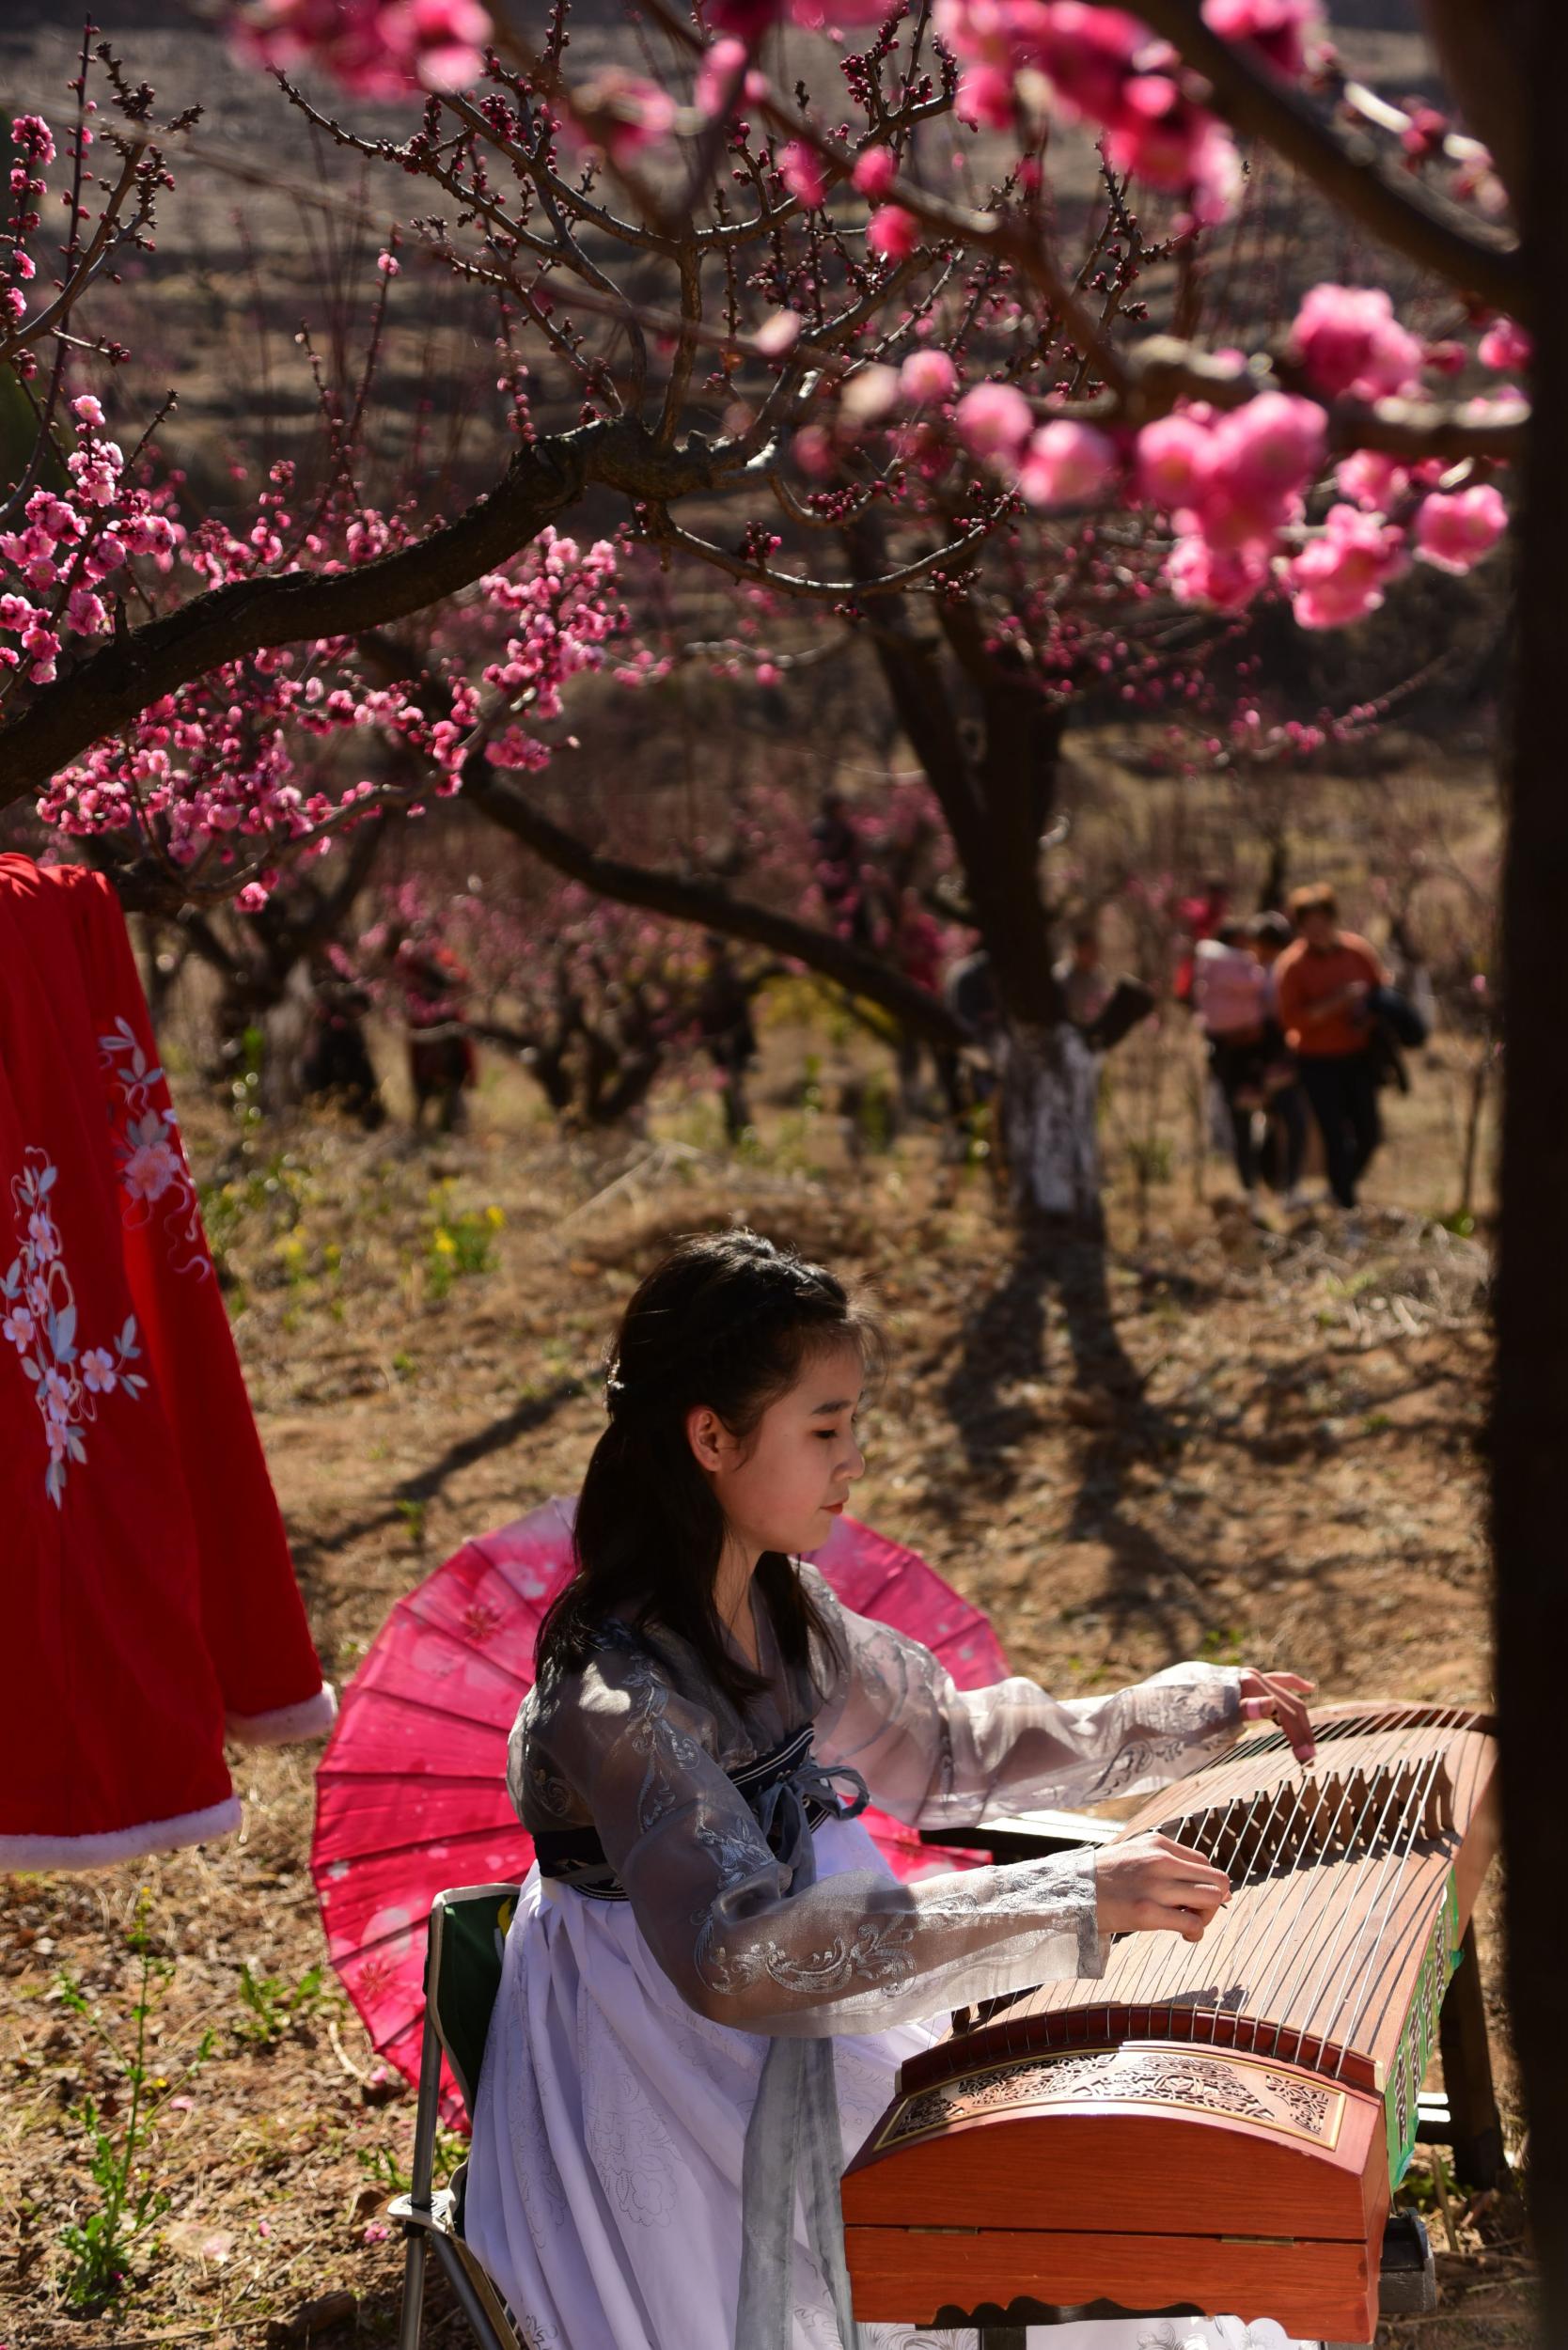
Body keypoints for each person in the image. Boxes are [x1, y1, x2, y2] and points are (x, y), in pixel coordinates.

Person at [463, 1229, 1318, 2350]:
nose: (852, 1459)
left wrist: (1190, 1708)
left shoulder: (785, 1610)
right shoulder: (616, 1694)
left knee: (1013, 2238)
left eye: (853, 1423)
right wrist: (1072, 1900)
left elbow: (948, 1749)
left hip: (796, 1983)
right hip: (663, 2044)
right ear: (710, 1436)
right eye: (825, 1428)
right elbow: (736, 1955)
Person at [1273, 886, 1388, 1212]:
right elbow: (1291, 1020)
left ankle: (1341, 1186)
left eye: (1322, 920)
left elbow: (1380, 995)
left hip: (1359, 1055)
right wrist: (1336, 1003)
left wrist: (1366, 1017)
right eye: (1309, 923)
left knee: (1369, 1133)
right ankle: (1345, 1204)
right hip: (1316, 1060)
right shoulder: (1292, 965)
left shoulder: (1357, 952)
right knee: (1333, 1134)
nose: (1317, 929)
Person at [1191, 918, 1271, 1198]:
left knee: (1246, 1117)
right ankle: (1252, 1177)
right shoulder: (1233, 965)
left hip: (1233, 1050)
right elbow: (1254, 984)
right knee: (1244, 1116)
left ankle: (1254, 1176)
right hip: (1240, 1051)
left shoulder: (1206, 963)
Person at [1247, 912, 1309, 1207]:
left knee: (1279, 1122)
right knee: (1288, 1123)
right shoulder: (1261, 976)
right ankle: (1279, 1186)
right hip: (1272, 1061)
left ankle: (1279, 1185)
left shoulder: (1274, 973)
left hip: (1272, 1060)